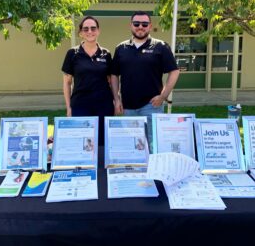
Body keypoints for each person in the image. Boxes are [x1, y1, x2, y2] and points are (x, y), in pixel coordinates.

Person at [111, 11, 180, 151]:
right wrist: (117, 99)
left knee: (152, 143)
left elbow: (174, 71)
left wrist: (163, 96)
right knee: (132, 144)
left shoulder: (160, 46)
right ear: (131, 25)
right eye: (136, 24)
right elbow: (114, 75)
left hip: (152, 106)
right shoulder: (121, 48)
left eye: (144, 24)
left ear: (150, 26)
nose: (140, 27)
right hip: (128, 107)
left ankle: (153, 172)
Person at [62, 16, 114, 145]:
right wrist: (69, 107)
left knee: (102, 141)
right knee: (82, 141)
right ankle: (83, 166)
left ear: (98, 31)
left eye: (93, 28)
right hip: (80, 105)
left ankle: (101, 165)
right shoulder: (72, 53)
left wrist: (116, 99)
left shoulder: (106, 54)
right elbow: (67, 82)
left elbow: (111, 80)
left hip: (104, 105)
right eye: (85, 29)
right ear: (80, 33)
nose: (89, 31)